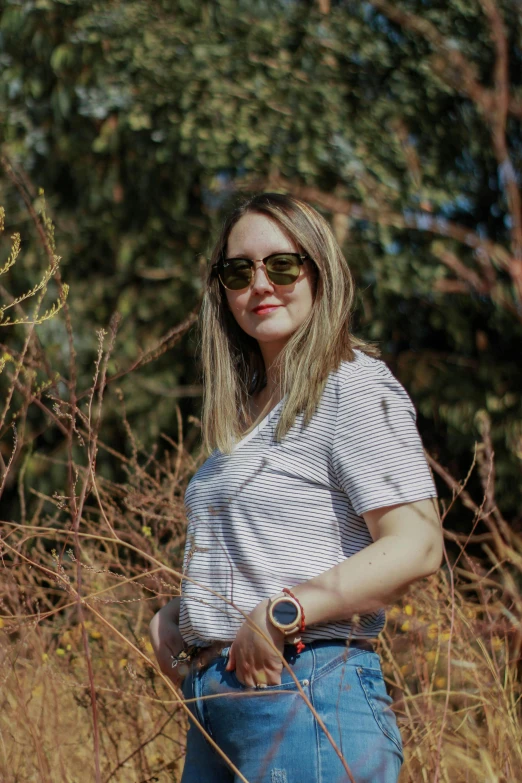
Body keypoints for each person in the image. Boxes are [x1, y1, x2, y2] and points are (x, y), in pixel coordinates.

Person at [149, 192, 443, 783]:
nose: (261, 284)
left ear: (320, 274)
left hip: (306, 693)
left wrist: (285, 612)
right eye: (240, 271)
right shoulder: (252, 412)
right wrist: (179, 618)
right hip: (219, 708)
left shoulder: (351, 385)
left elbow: (417, 543)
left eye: (283, 266)